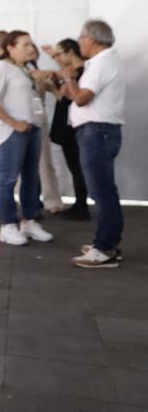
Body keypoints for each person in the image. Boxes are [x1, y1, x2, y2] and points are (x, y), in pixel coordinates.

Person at [0, 31, 55, 246]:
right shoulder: (1, 68)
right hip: (11, 132)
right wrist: (14, 123)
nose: (31, 48)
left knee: (31, 177)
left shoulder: (27, 68)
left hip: (32, 129)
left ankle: (29, 222)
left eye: (31, 44)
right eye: (25, 45)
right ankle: (7, 225)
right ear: (10, 48)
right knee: (8, 179)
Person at [63, 20, 125, 268]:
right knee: (105, 190)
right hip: (100, 132)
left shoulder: (101, 63)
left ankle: (104, 248)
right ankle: (107, 243)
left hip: (97, 132)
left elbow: (81, 98)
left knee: (102, 191)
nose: (79, 42)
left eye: (81, 37)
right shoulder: (105, 61)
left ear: (92, 39)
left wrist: (69, 78)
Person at [34, 39, 89, 220]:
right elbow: (61, 95)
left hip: (73, 125)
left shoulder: (80, 72)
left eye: (58, 54)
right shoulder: (72, 73)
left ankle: (81, 207)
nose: (56, 58)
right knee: (75, 166)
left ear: (70, 52)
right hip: (66, 123)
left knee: (77, 166)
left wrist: (55, 77)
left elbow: (71, 95)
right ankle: (80, 204)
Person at [26, 46, 65, 213]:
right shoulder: (11, 70)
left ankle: (52, 200)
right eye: (25, 47)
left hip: (39, 120)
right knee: (23, 165)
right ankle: (30, 202)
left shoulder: (40, 74)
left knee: (45, 162)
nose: (30, 52)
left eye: (32, 50)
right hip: (19, 121)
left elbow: (59, 94)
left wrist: (54, 79)